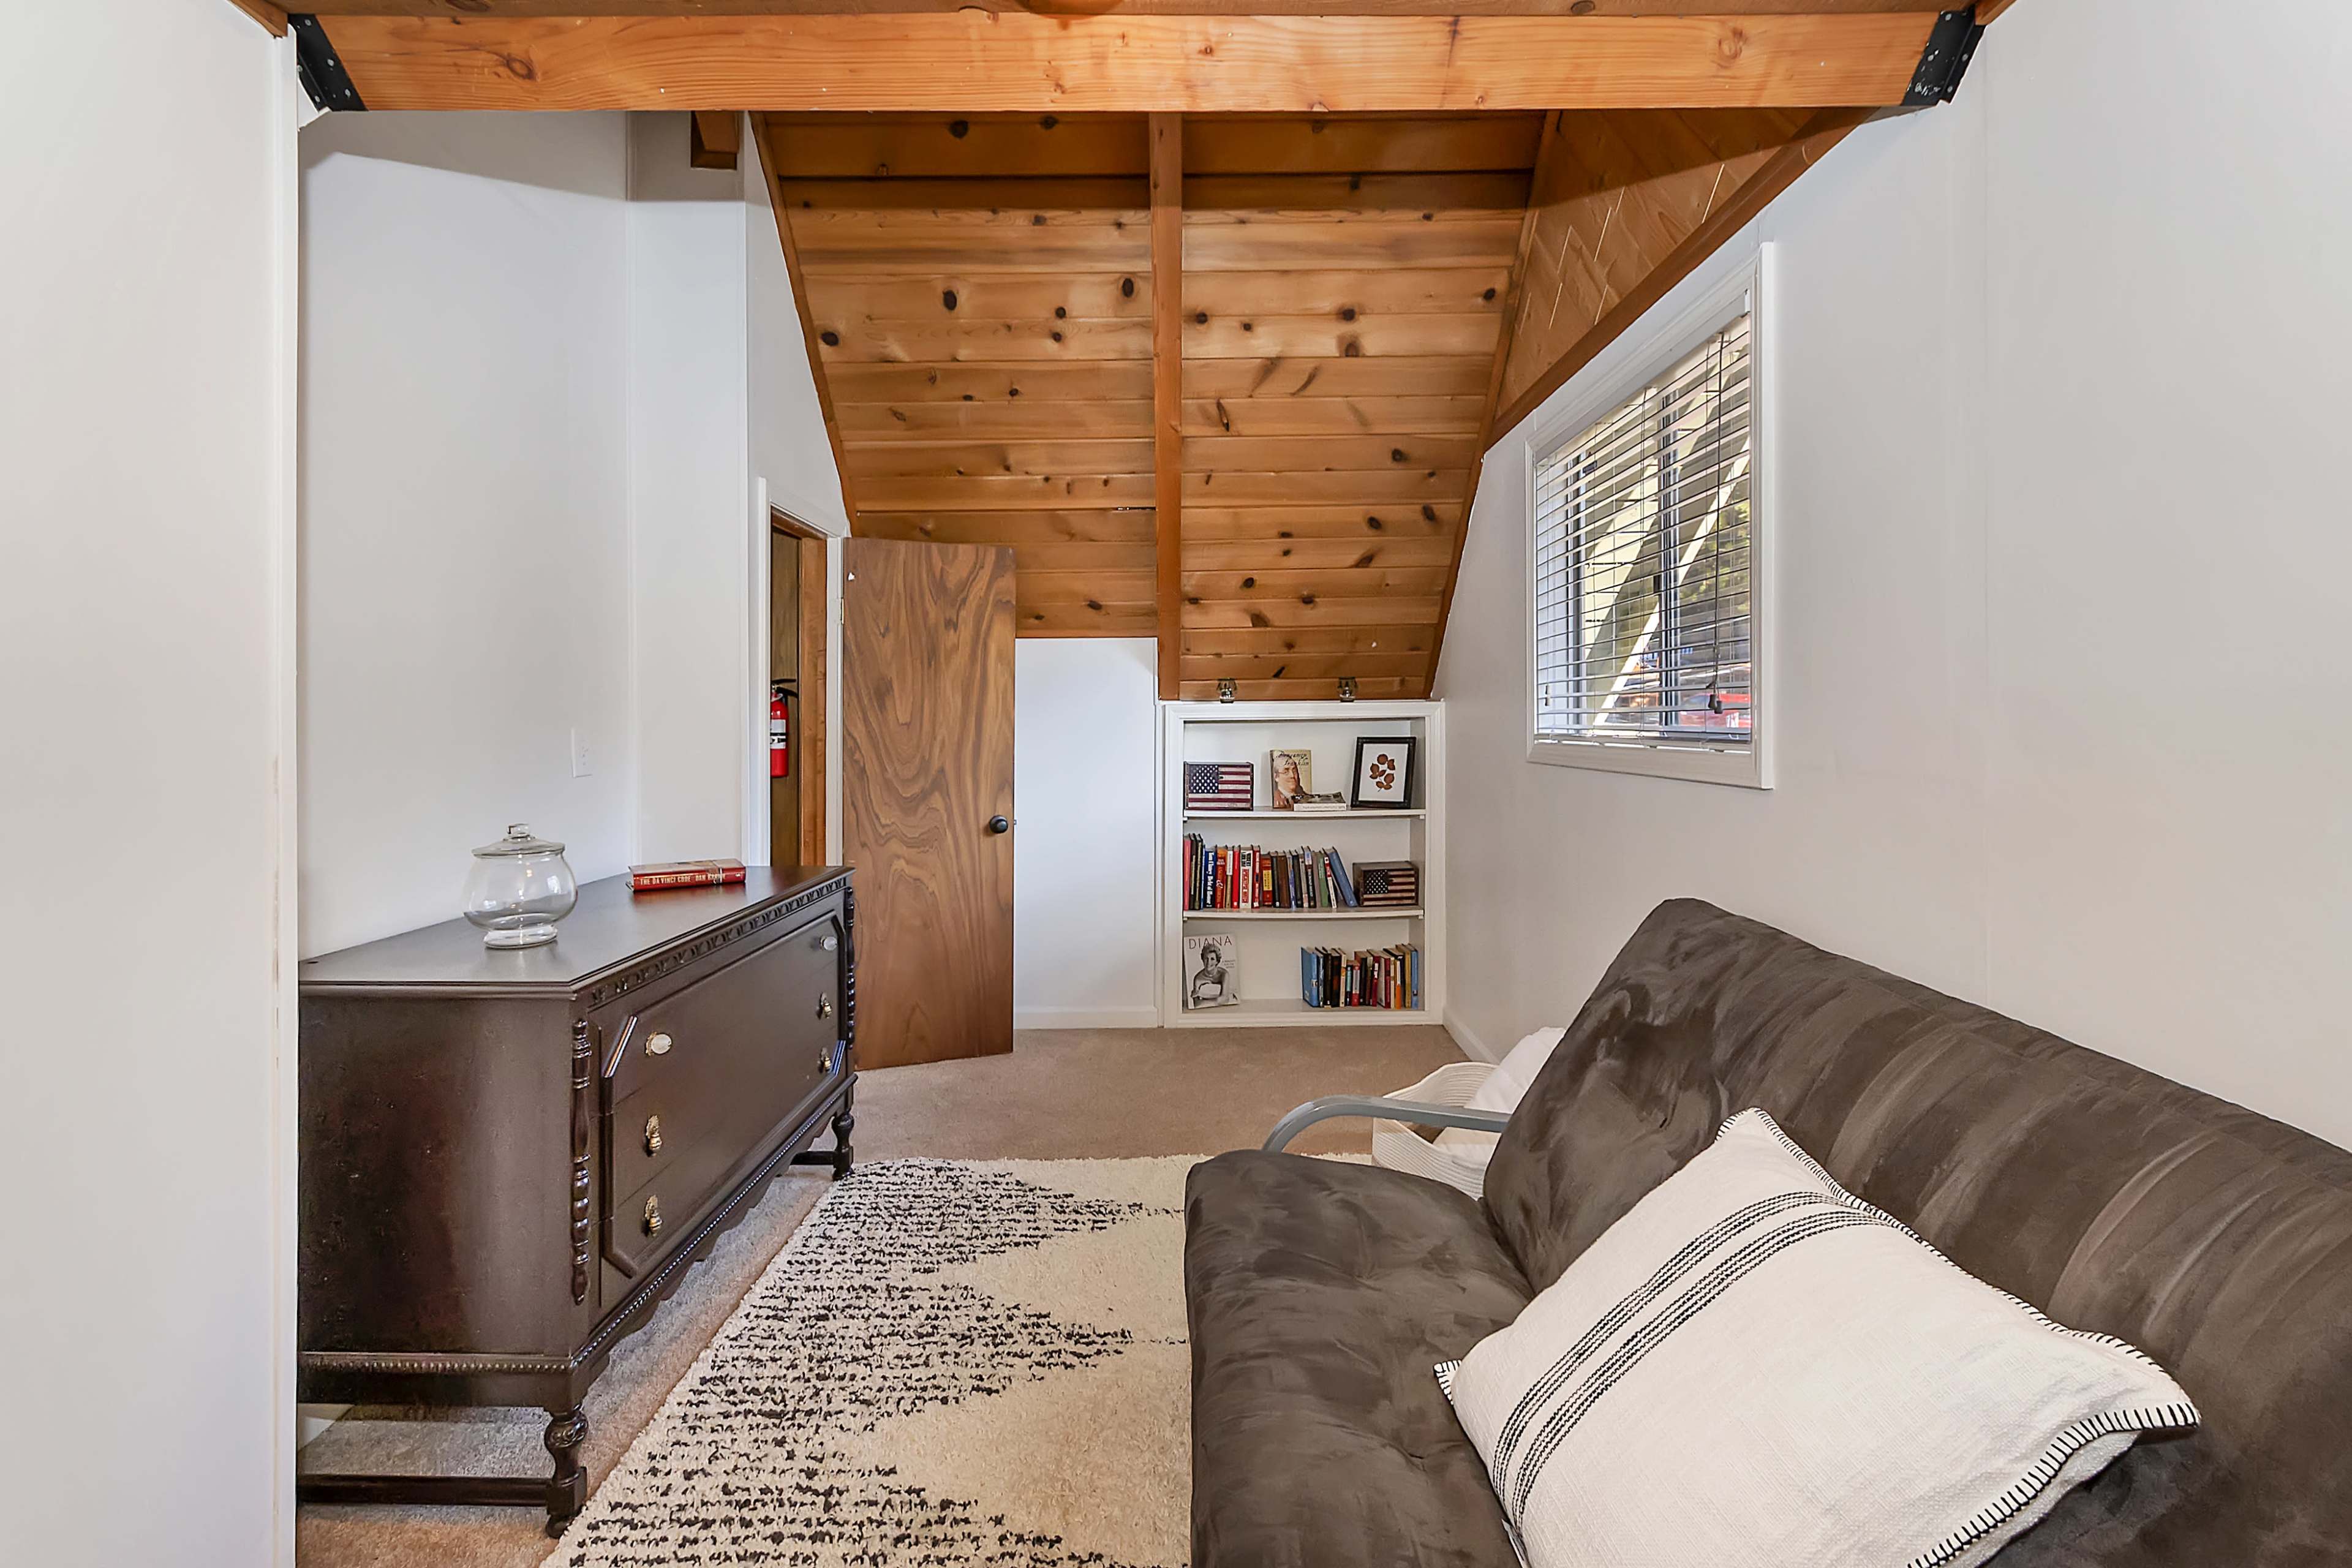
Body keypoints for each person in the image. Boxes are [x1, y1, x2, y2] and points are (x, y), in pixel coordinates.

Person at [1189, 942, 1233, 1006]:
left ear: (1217, 961)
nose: (1209, 962)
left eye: (1212, 959)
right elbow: (1197, 1004)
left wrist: (1203, 1001)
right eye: (1206, 959)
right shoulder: (1198, 979)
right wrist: (1217, 1000)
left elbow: (1224, 999)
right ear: (1202, 959)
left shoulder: (1224, 974)